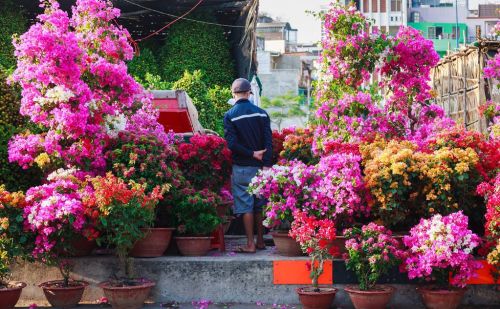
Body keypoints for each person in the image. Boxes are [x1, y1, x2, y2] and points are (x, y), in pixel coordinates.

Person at [224, 78, 273, 253]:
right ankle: (260, 241)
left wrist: (251, 153)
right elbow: (269, 140)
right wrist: (266, 164)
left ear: (233, 94)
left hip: (242, 168)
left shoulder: (230, 115)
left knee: (245, 205)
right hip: (261, 168)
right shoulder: (261, 113)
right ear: (249, 93)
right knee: (259, 204)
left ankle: (250, 244)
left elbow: (232, 144)